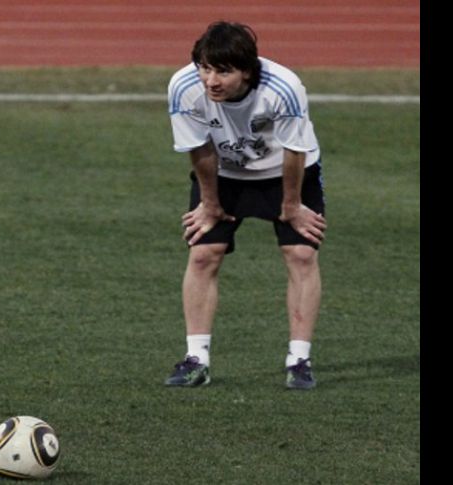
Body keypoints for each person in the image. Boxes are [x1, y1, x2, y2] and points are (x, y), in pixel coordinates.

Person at [164, 21, 327, 390]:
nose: (211, 81)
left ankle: (299, 361)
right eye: (205, 68)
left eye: (224, 71)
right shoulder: (184, 87)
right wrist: (209, 203)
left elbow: (294, 151)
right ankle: (196, 360)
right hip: (225, 172)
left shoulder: (283, 88)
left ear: (248, 71)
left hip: (285, 171)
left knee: (301, 254)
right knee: (204, 253)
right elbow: (199, 148)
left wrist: (291, 206)